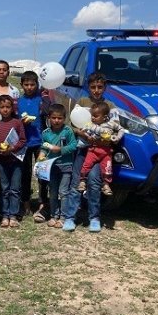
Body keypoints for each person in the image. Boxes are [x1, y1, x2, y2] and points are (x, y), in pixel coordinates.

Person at [64, 72, 118, 233]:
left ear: (105, 88)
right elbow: (71, 124)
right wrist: (80, 133)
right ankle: (70, 217)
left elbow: (115, 128)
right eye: (93, 87)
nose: (96, 90)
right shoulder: (81, 102)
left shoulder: (110, 106)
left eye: (100, 87)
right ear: (88, 87)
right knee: (76, 182)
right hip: (82, 149)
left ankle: (94, 217)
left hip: (100, 151)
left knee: (94, 182)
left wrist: (105, 137)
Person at [38, 104, 78, 228]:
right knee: (53, 192)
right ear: (49, 118)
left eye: (60, 118)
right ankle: (53, 215)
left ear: (64, 118)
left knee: (64, 191)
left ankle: (64, 217)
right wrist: (41, 155)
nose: (56, 121)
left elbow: (74, 145)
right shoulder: (46, 133)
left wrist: (60, 149)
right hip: (51, 167)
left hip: (66, 165)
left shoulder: (68, 131)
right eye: (54, 118)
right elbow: (44, 147)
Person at [0, 95, 26, 228]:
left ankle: (13, 215)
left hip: (15, 160)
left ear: (12, 108)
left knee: (15, 189)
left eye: (8, 107)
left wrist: (12, 148)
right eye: (2, 107)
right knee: (4, 188)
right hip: (2, 161)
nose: (5, 110)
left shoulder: (17, 123)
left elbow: (23, 140)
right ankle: (5, 215)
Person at [77, 102, 124, 197]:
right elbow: (82, 131)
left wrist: (117, 137)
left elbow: (121, 129)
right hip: (93, 151)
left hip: (106, 152)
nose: (93, 118)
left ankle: (106, 185)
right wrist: (87, 136)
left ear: (105, 117)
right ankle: (82, 181)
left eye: (96, 116)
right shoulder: (90, 125)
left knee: (107, 169)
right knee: (86, 166)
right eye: (92, 116)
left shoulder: (111, 124)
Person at [17, 71, 46, 217]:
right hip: (24, 143)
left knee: (42, 173)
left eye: (32, 84)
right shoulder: (18, 102)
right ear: (22, 85)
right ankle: (26, 203)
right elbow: (15, 122)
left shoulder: (42, 99)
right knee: (25, 174)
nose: (29, 87)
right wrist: (21, 122)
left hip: (40, 141)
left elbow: (50, 115)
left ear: (37, 85)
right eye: (26, 84)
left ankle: (43, 203)